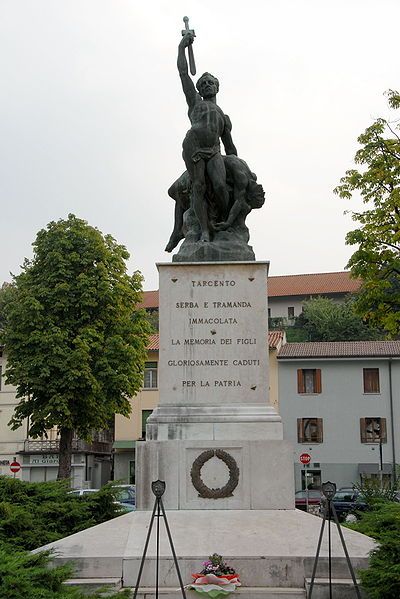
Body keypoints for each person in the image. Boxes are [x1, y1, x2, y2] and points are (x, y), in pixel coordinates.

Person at [178, 31, 238, 242]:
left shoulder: (224, 117)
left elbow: (230, 147)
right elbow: (184, 73)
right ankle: (203, 230)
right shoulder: (195, 102)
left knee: (221, 186)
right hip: (193, 147)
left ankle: (221, 224)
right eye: (202, 84)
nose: (206, 85)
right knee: (199, 187)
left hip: (213, 152)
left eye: (209, 82)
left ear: (217, 86)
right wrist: (182, 47)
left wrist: (238, 168)